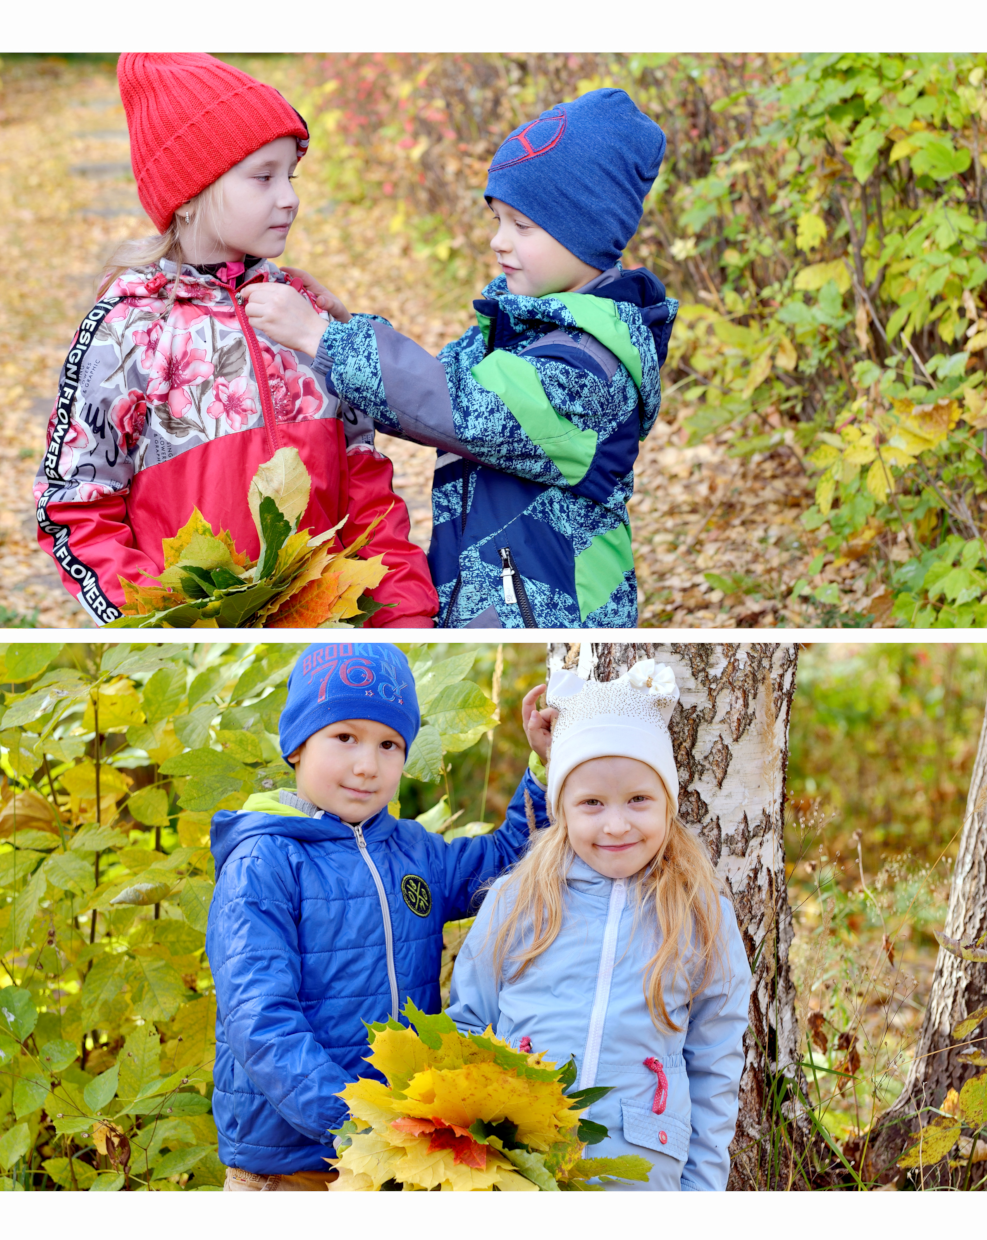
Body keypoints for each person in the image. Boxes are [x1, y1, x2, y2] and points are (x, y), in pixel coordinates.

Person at [246, 89, 679, 628]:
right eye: (497, 219)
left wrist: (320, 340)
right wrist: (344, 326)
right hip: (490, 594)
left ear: (588, 235)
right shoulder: (529, 321)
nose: (499, 241)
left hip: (552, 618)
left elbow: (460, 410)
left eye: (522, 227)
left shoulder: (591, 367)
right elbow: (437, 379)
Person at [34, 53, 437, 628]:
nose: (290, 197)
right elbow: (74, 504)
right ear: (191, 191)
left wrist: (406, 620)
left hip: (326, 627)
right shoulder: (129, 329)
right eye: (263, 176)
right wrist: (162, 625)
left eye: (290, 176)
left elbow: (365, 484)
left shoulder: (302, 315)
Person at [206, 643, 547, 1189]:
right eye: (345, 737)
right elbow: (260, 1017)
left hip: (397, 1156)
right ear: (296, 745)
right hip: (294, 1171)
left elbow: (511, 865)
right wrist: (355, 1126)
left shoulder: (414, 852)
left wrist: (547, 770)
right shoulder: (264, 860)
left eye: (390, 744)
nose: (368, 765)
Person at [448, 658, 751, 1190]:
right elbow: (470, 1024)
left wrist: (703, 1193)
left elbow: (715, 1065)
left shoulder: (700, 913)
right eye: (591, 803)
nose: (616, 824)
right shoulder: (518, 900)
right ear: (561, 807)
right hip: (519, 1165)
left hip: (641, 1173)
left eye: (639, 799)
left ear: (667, 804)